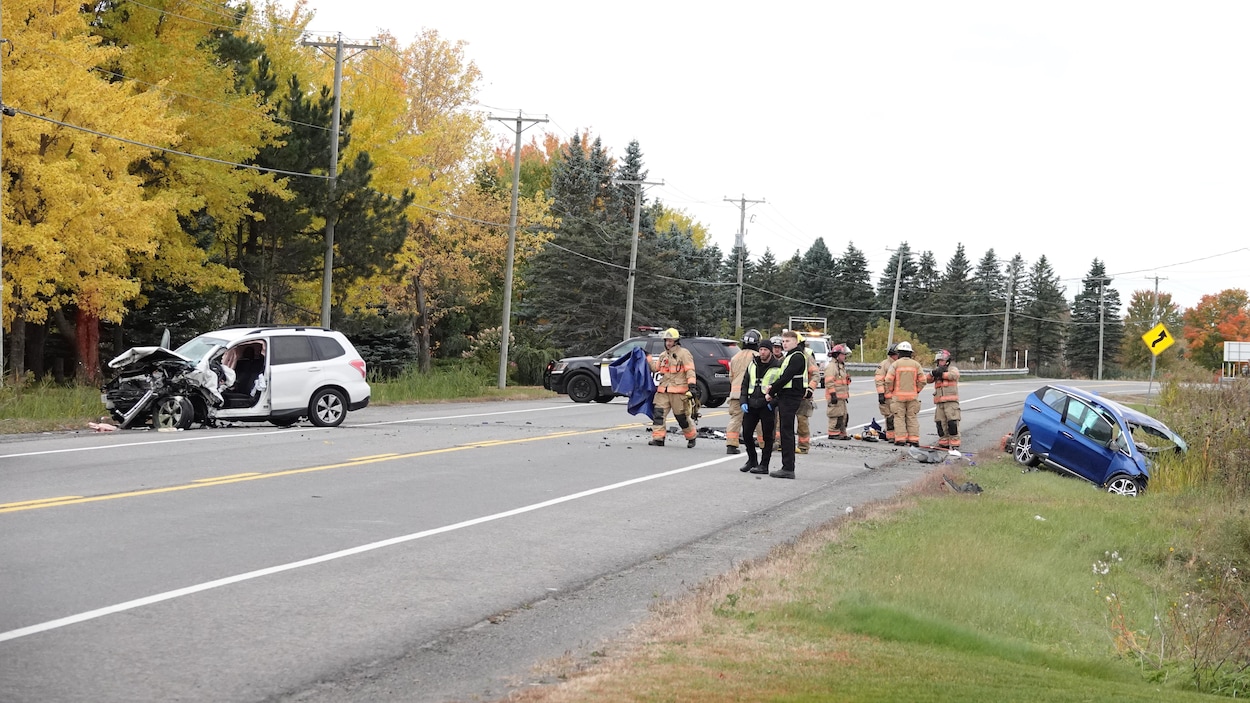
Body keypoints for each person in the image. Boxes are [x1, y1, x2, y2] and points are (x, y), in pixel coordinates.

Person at [763, 329, 809, 479]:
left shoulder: (797, 357)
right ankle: (787, 466)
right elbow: (782, 378)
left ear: (796, 342)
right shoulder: (789, 356)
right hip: (786, 396)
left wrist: (771, 392)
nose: (784, 344)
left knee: (787, 431)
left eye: (788, 341)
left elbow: (786, 378)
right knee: (785, 430)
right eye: (783, 341)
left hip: (791, 397)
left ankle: (788, 468)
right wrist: (774, 393)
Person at [648, 328, 698, 448]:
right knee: (659, 414)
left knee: (681, 418)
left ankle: (691, 436)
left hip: (679, 392)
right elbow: (656, 368)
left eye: (671, 341)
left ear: (676, 341)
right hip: (663, 391)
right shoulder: (663, 355)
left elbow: (690, 370)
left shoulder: (684, 354)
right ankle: (658, 438)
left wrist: (692, 386)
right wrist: (647, 359)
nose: (668, 343)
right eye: (666, 341)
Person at [738, 340, 781, 474]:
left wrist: (772, 404)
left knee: (768, 437)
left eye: (765, 350)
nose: (762, 352)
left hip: (766, 405)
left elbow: (781, 388)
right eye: (761, 349)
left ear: (770, 351)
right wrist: (743, 400)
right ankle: (752, 460)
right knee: (746, 433)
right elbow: (745, 384)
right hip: (751, 404)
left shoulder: (777, 366)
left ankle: (764, 464)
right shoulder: (753, 363)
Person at [725, 329, 762, 455]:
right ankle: (764, 443)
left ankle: (731, 444)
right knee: (759, 419)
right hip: (752, 393)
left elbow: (731, 376)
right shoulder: (757, 357)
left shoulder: (735, 357)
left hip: (736, 394)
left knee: (735, 419)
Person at [884, 341, 926, 447]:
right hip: (912, 396)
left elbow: (888, 380)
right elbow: (923, 380)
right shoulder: (916, 365)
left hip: (898, 397)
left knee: (899, 418)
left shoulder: (895, 364)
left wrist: (892, 390)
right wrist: (917, 390)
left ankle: (900, 439)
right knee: (912, 417)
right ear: (910, 353)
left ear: (899, 353)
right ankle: (914, 439)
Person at [926, 349, 962, 449]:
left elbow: (954, 375)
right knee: (940, 424)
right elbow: (927, 379)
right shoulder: (936, 371)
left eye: (942, 360)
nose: (940, 362)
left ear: (947, 361)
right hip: (939, 403)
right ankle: (943, 443)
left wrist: (942, 374)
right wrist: (933, 373)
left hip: (951, 403)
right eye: (939, 361)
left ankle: (955, 444)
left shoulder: (952, 369)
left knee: (952, 423)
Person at [795, 339, 821, 454]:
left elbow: (816, 375)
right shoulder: (788, 357)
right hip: (790, 396)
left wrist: (810, 389)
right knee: (782, 421)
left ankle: (803, 446)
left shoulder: (807, 358)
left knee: (802, 422)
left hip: (803, 397)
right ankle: (781, 444)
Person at [824, 343, 852, 440]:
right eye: (843, 354)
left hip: (841, 397)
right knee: (835, 415)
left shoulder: (840, 366)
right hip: (835, 396)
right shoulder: (832, 367)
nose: (844, 357)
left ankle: (841, 433)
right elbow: (829, 382)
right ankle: (833, 433)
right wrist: (833, 394)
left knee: (843, 416)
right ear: (837, 355)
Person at [874, 344, 900, 443]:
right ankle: (891, 436)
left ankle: (899, 435)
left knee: (899, 417)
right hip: (888, 396)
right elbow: (879, 380)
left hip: (898, 396)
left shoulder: (900, 364)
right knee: (890, 417)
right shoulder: (885, 364)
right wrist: (881, 394)